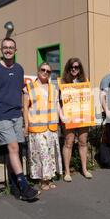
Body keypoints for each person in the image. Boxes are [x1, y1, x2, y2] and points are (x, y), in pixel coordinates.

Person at [0, 37, 39, 201]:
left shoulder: (19, 69)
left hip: (17, 115)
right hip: (2, 116)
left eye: (11, 47)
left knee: (14, 151)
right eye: (5, 47)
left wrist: (25, 120)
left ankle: (15, 187)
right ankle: (24, 185)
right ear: (1, 50)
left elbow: (22, 93)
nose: (8, 50)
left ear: (15, 50)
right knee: (14, 147)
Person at [23, 62, 63, 190]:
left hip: (51, 126)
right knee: (41, 153)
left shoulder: (54, 88)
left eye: (48, 71)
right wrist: (26, 125)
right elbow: (24, 108)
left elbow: (57, 105)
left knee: (50, 153)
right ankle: (42, 179)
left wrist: (62, 117)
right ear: (38, 71)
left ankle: (49, 177)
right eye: (43, 70)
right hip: (36, 126)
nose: (45, 72)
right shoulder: (29, 87)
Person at [60, 58, 92, 182]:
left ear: (80, 69)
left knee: (83, 142)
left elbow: (88, 99)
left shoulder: (85, 81)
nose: (74, 69)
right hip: (69, 116)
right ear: (68, 68)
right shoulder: (62, 82)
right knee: (68, 142)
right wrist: (62, 115)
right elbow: (59, 101)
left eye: (76, 67)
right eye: (71, 67)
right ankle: (67, 172)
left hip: (83, 115)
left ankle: (84, 169)